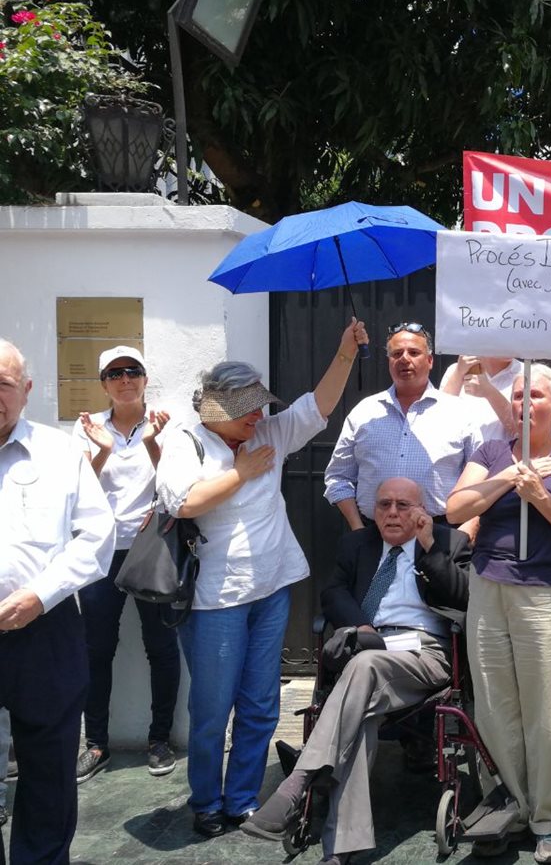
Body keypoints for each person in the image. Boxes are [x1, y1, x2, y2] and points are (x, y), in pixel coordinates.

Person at [156, 318, 368, 839]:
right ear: (216, 408)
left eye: (259, 405)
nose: (258, 415)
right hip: (215, 598)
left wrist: (345, 352)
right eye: (245, 408)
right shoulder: (185, 442)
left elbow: (317, 407)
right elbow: (182, 502)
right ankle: (206, 800)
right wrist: (241, 472)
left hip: (271, 587)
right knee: (211, 706)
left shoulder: (269, 430)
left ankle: (243, 797)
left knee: (259, 702)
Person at [242, 476, 471, 865]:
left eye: (404, 505)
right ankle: (342, 851)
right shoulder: (357, 544)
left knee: (362, 668)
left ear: (422, 511)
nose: (393, 513)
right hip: (367, 648)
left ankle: (298, 781)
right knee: (362, 714)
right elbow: (333, 593)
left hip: (424, 653)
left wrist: (430, 545)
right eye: (384, 505)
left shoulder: (450, 542)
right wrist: (361, 626)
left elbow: (464, 596)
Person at [446, 364, 551, 865]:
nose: (523, 403)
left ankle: (547, 817)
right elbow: (455, 509)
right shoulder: (491, 452)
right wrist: (506, 480)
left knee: (547, 712)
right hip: (491, 588)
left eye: (534, 394)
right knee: (495, 705)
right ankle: (508, 805)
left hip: (549, 594)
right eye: (517, 395)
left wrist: (540, 498)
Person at [0, 338, 115, 864]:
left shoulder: (59, 451)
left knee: (47, 772)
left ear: (25, 391)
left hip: (43, 629)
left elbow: (97, 536)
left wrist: (41, 595)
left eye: (3, 384)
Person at [73, 345, 180, 784]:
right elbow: (74, 490)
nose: (124, 379)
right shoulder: (85, 429)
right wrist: (99, 451)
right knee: (96, 650)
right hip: (100, 553)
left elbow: (177, 484)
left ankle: (160, 739)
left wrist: (155, 444)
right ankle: (95, 743)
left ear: (145, 378)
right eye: (114, 374)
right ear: (103, 384)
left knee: (161, 647)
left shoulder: (165, 424)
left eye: (132, 371)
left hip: (151, 549)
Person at [324, 323, 482, 528]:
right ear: (389, 362)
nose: (404, 359)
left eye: (414, 352)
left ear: (430, 360)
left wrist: (467, 532)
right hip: (373, 535)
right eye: (397, 353)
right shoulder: (364, 412)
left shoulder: (460, 413)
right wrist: (357, 529)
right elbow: (338, 477)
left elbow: (482, 483)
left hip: (440, 537)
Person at [439, 354, 521, 440]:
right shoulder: (455, 370)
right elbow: (440, 423)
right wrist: (458, 373)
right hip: (461, 452)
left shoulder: (527, 373)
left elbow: (523, 432)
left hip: (504, 453)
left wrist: (489, 392)